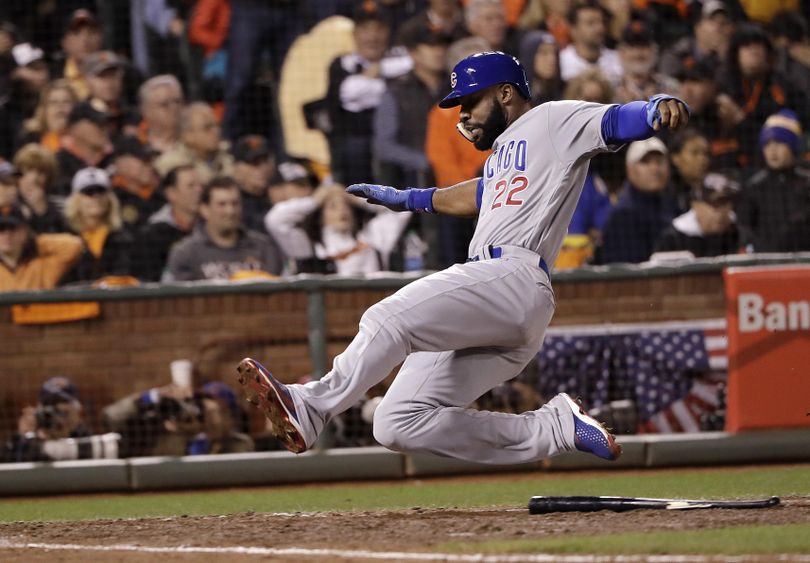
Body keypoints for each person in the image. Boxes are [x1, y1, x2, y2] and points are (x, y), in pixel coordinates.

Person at [236, 51, 689, 464]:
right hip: (501, 304)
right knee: (396, 422)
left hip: (512, 276)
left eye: (471, 101)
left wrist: (651, 110)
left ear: (506, 93)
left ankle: (312, 405)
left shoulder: (551, 120)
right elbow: (479, 193)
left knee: (387, 318)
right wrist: (413, 198)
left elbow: (612, 123)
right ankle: (552, 427)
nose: (465, 113)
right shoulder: (501, 156)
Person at [324, 1, 412, 185]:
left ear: (388, 32)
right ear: (354, 34)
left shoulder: (401, 56)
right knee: (355, 147)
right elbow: (348, 93)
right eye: (365, 29)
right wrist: (387, 82)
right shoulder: (341, 64)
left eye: (379, 29)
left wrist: (378, 69)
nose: (372, 37)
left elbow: (415, 63)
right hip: (357, 147)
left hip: (401, 139)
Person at [265, 182, 411, 275]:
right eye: (333, 207)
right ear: (321, 217)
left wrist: (359, 199)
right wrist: (314, 201)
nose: (342, 211)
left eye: (346, 205)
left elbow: (404, 208)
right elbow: (275, 220)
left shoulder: (372, 237)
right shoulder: (308, 246)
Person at [164, 176, 284, 281]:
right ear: (204, 209)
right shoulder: (186, 253)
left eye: (235, 203)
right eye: (222, 204)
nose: (230, 211)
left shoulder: (263, 247)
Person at [737, 109, 810, 252]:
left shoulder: (807, 183)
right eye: (767, 144)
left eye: (779, 143)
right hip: (766, 262)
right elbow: (745, 229)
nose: (772, 150)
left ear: (792, 146)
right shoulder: (754, 187)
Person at [599, 138, 680, 264]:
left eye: (659, 162)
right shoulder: (623, 215)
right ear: (630, 169)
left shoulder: (674, 204)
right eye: (645, 162)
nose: (655, 169)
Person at [61, 167, 135, 284]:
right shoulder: (64, 235)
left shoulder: (123, 236)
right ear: (76, 200)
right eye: (89, 192)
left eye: (101, 192)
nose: (96, 198)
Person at [134, 165, 203, 282]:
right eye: (191, 186)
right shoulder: (151, 234)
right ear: (171, 193)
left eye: (201, 186)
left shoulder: (211, 227)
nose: (199, 191)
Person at [654, 172, 741, 258]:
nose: (721, 212)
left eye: (725, 203)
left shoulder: (740, 234)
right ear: (695, 205)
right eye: (714, 205)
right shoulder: (672, 239)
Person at [0, 203, 83, 292]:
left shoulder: (42, 263)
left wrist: (33, 241)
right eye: (1, 229)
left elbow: (74, 245)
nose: (7, 235)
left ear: (24, 231)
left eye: (12, 229)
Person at [154, 102, 234, 184]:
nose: (216, 131)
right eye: (207, 127)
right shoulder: (170, 165)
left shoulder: (231, 155)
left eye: (217, 125)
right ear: (187, 136)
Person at [54, 102, 113, 198]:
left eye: (105, 123)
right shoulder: (58, 166)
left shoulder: (114, 162)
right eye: (96, 123)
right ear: (74, 128)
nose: (103, 129)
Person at [558, 1, 622, 85]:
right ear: (573, 30)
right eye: (591, 23)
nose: (600, 28)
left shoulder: (618, 60)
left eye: (602, 22)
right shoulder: (561, 62)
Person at [109, 137, 163, 231]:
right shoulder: (111, 199)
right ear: (121, 164)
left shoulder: (161, 194)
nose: (149, 166)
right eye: (144, 161)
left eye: (150, 160)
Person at [13, 144, 67, 233]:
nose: (34, 178)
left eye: (41, 172)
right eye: (29, 170)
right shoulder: (7, 205)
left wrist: (42, 212)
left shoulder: (61, 207)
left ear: (49, 177)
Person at [18, 79, 78, 153]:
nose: (60, 106)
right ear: (44, 110)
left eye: (66, 101)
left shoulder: (85, 140)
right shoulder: (30, 140)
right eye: (53, 102)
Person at [231, 135, 275, 233]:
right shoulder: (233, 204)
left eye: (265, 161)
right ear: (237, 170)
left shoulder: (277, 196)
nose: (263, 168)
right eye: (255, 163)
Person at [136, 74, 184, 156]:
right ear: (146, 111)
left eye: (177, 101)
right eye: (164, 104)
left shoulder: (197, 142)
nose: (174, 108)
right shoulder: (137, 147)